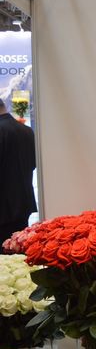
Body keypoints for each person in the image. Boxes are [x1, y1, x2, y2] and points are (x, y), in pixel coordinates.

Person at [0, 97, 37, 248]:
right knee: (18, 252)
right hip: (23, 204)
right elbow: (33, 164)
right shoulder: (27, 131)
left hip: (2, 210)